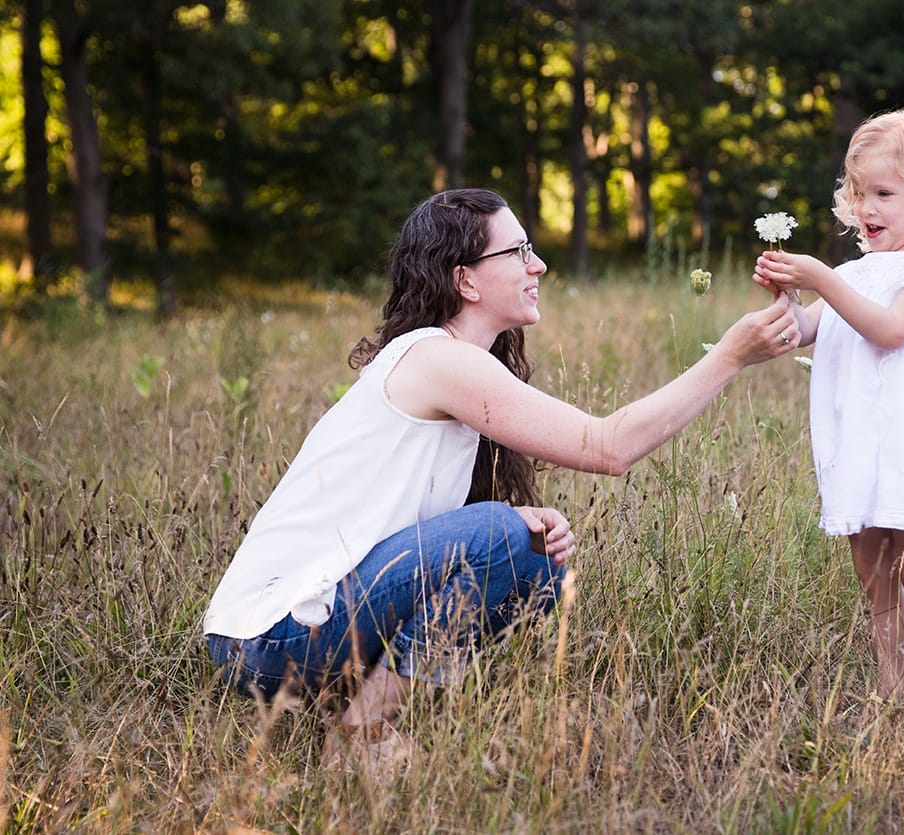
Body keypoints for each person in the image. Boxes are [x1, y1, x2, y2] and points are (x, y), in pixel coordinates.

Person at [203, 187, 798, 758]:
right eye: (517, 253)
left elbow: (407, 524)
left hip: (311, 624)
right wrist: (729, 355)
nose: (537, 265)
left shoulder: (449, 362)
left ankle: (348, 706)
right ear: (465, 279)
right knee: (499, 535)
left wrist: (511, 525)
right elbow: (609, 446)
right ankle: (363, 736)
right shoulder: (435, 358)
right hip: (265, 639)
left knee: (536, 568)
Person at [752, 105, 904, 731]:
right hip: (858, 443)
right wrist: (789, 296)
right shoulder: (855, 272)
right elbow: (806, 329)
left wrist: (823, 280)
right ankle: (892, 688)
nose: (867, 208)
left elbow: (891, 328)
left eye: (884, 193)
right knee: (872, 569)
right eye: (859, 193)